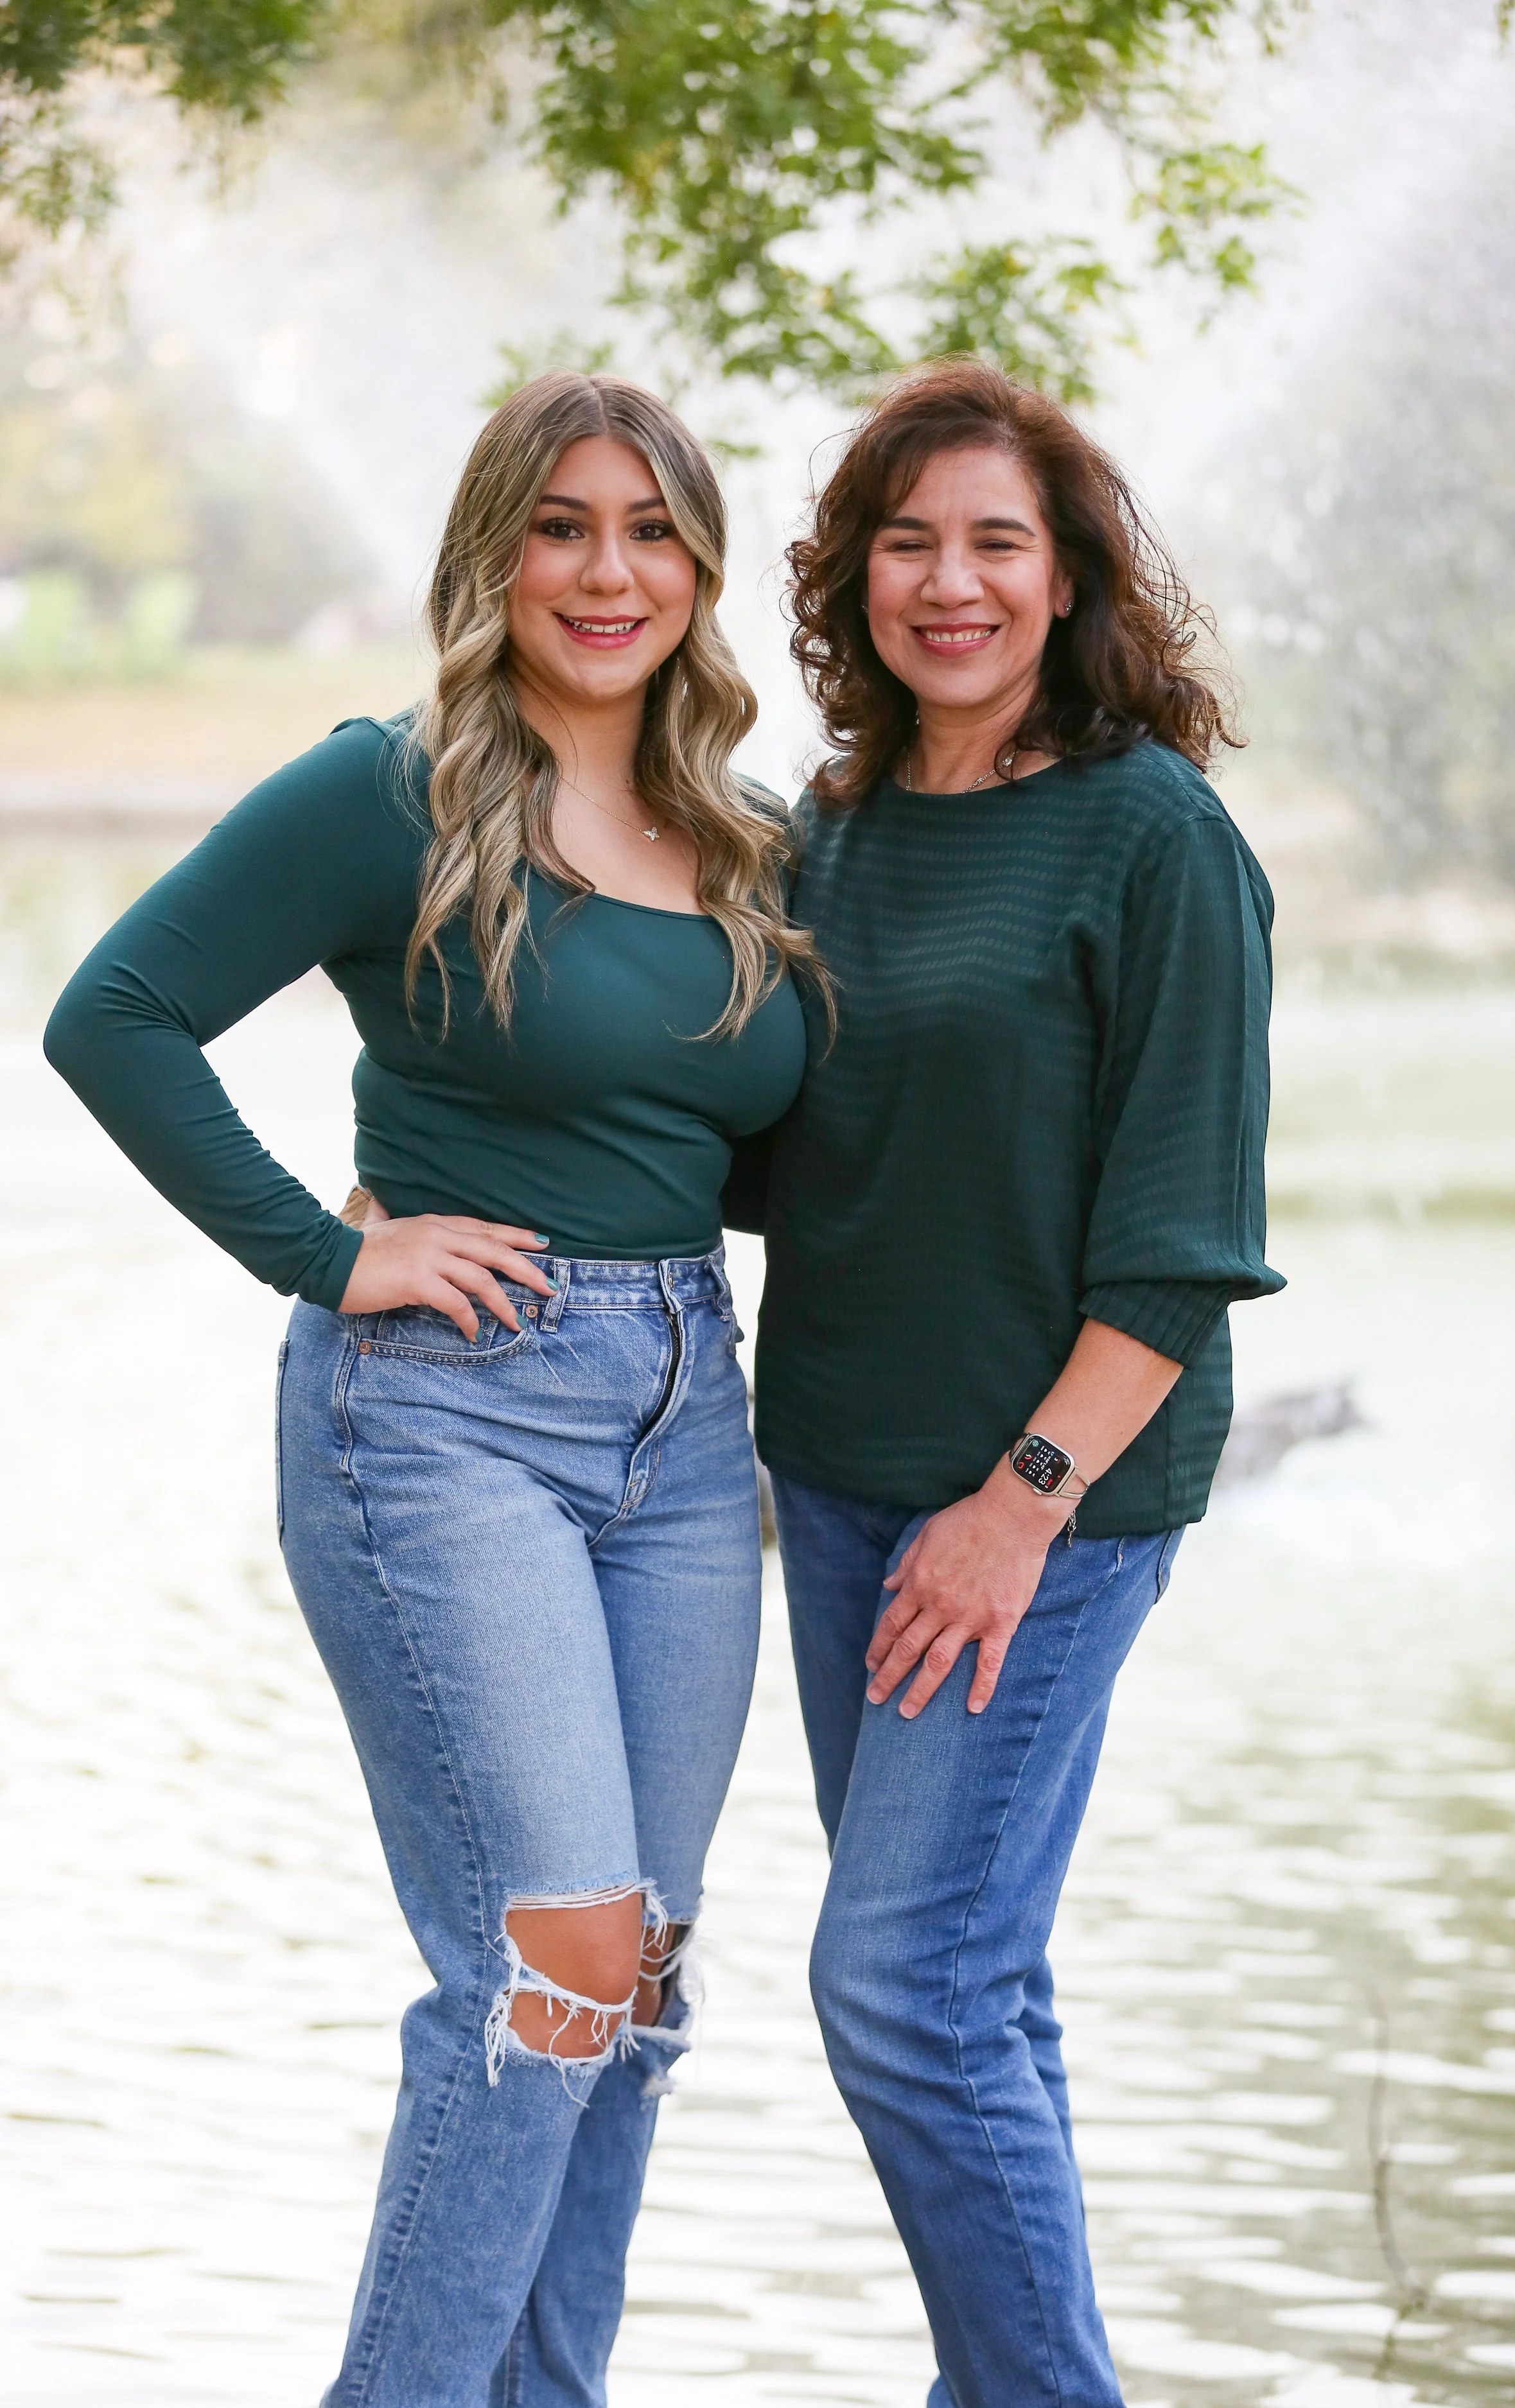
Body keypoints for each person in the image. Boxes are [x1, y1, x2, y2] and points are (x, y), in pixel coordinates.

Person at [43, 372, 818, 2408]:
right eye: (560, 524)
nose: (606, 569)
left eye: (650, 529)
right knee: (546, 1964)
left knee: (636, 1984)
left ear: (700, 569)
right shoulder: (388, 792)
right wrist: (328, 1246)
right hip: (450, 1410)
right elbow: (111, 1016)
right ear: (490, 555)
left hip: (682, 1415)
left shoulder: (737, 831)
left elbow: (723, 1143)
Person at [745, 359, 1284, 2408]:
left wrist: (1017, 1504)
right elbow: (742, 1138)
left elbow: (1177, 1245)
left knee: (895, 1985)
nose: (946, 583)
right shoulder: (834, 828)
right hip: (839, 1483)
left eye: (993, 542)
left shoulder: (1155, 840)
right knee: (974, 1986)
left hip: (1038, 1504)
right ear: (854, 580)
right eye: (906, 542)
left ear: (1066, 582)